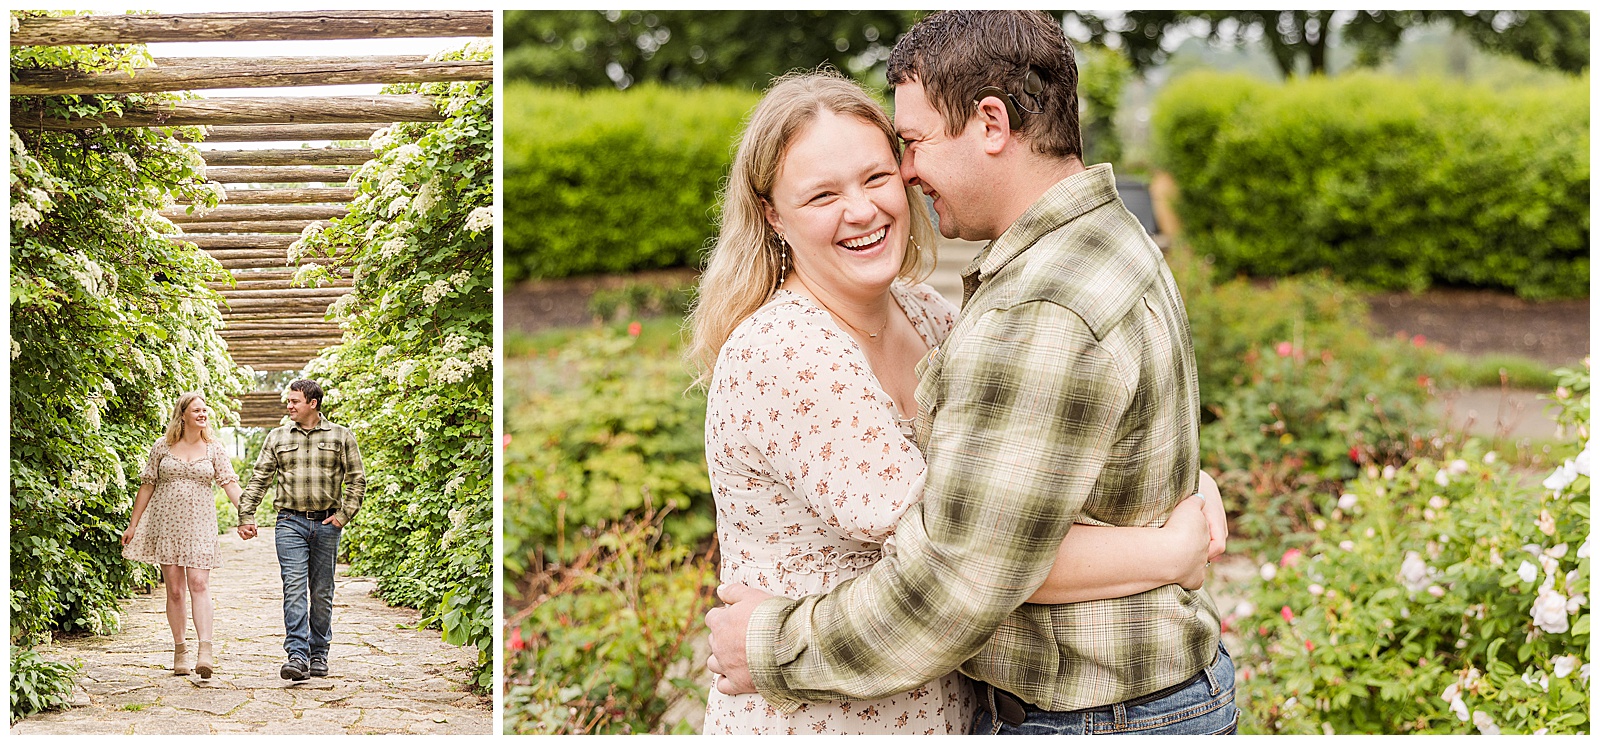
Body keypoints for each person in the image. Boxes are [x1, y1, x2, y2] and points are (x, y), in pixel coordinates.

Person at [706, 11, 1237, 736]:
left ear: (991, 122)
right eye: (823, 193)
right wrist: (1169, 542)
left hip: (1091, 711)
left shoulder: (1007, 307)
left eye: (902, 150)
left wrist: (771, 644)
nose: (904, 174)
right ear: (773, 215)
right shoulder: (1108, 239)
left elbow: (961, 569)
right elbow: (976, 550)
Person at [237, 379, 365, 682]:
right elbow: (260, 478)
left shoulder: (340, 436)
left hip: (326, 523)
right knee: (293, 588)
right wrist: (246, 513)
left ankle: (319, 653)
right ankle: (297, 654)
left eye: (294, 401)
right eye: (288, 401)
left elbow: (357, 480)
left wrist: (343, 516)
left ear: (313, 403)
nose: (289, 406)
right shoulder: (277, 437)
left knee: (322, 592)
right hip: (289, 522)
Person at [121, 391, 243, 679]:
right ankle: (180, 649)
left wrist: (246, 515)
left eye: (205, 410)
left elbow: (229, 484)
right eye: (197, 410)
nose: (203, 414)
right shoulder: (162, 447)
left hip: (200, 525)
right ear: (183, 414)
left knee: (199, 583)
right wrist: (133, 525)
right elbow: (147, 485)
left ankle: (205, 651)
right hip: (168, 526)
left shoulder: (214, 449)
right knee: (175, 590)